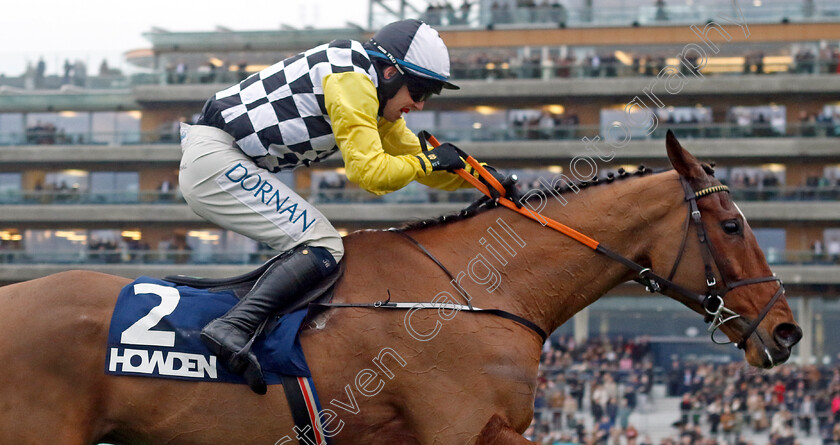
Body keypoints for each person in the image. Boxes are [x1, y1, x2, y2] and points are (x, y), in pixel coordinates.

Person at [178, 19, 519, 394]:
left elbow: (412, 159)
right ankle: (234, 326)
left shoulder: (372, 91)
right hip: (216, 161)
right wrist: (432, 161)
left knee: (318, 243)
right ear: (390, 72)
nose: (420, 104)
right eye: (419, 89)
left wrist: (484, 177)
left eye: (430, 93)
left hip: (221, 159)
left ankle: (242, 323)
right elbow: (371, 173)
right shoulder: (353, 80)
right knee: (323, 244)